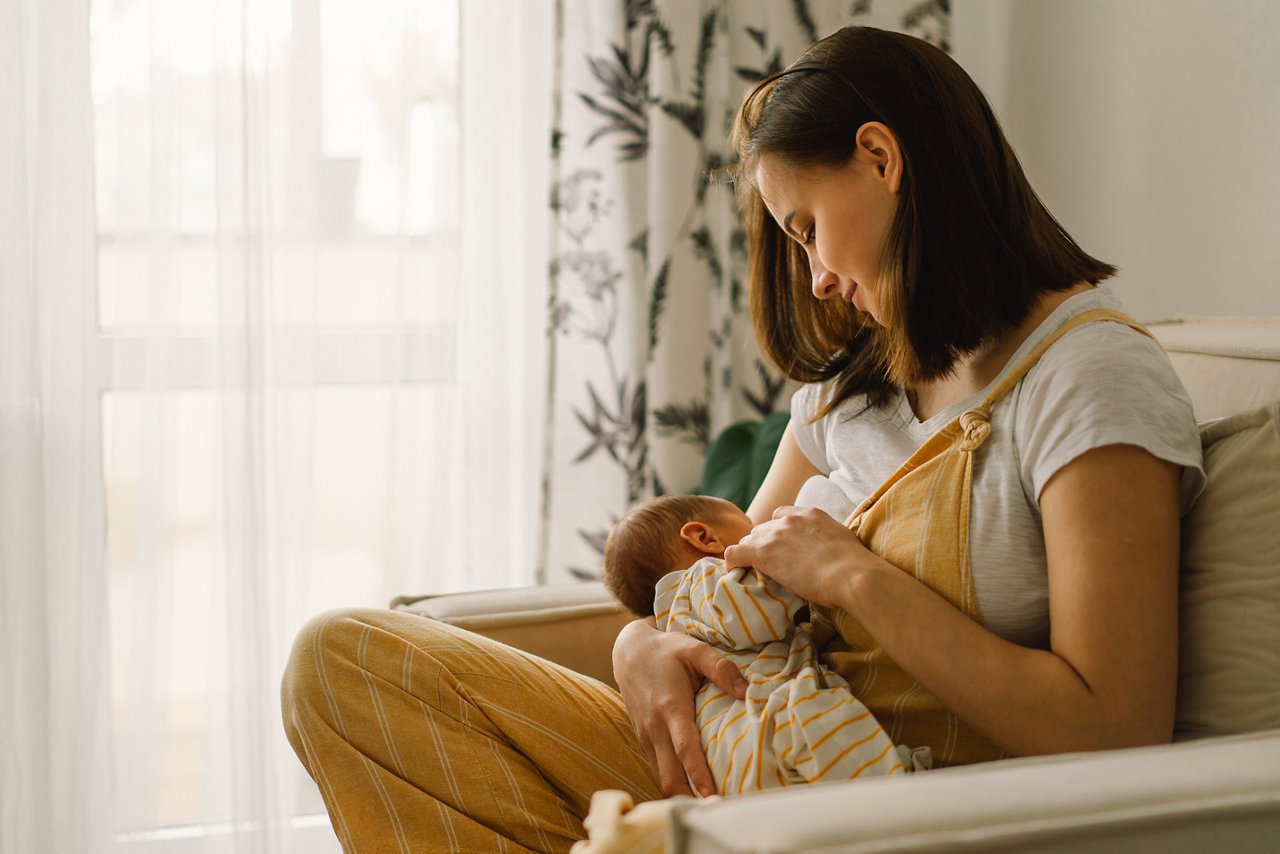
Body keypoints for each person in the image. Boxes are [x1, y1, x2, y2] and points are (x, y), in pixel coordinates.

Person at [281, 25, 1204, 852]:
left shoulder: (1088, 378)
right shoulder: (854, 385)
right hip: (744, 768)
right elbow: (721, 588)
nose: (817, 280)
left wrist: (855, 578)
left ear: (882, 158)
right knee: (342, 662)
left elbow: (1115, 726)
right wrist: (638, 645)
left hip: (884, 802)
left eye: (808, 230)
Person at [602, 494, 924, 796]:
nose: (763, 533)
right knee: (849, 762)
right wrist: (806, 563)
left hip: (734, 749)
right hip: (769, 717)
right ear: (704, 538)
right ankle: (900, 794)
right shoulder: (701, 582)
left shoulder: (680, 617)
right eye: (751, 526)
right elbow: (753, 609)